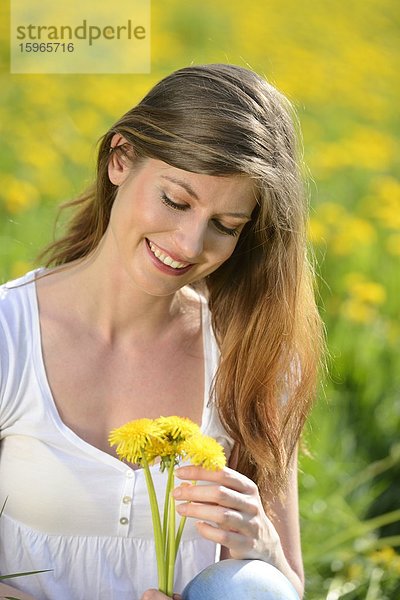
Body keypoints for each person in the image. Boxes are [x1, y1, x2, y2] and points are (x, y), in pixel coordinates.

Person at [0, 64, 324, 600]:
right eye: (176, 200)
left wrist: (262, 550)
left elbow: (284, 588)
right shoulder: (11, 333)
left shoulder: (251, 353)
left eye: (226, 226)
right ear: (120, 159)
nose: (191, 244)